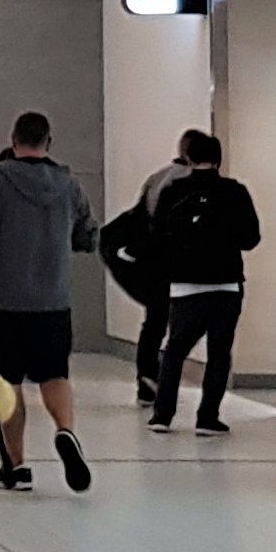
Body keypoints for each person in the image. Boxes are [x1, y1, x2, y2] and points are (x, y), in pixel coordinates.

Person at [0, 111, 98, 493]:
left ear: (14, 138)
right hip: (54, 302)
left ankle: (15, 467)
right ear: (47, 141)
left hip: (4, 305)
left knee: (7, 384)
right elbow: (88, 235)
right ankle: (66, 431)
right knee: (55, 375)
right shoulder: (69, 183)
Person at [143, 131, 261, 435]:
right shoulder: (235, 192)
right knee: (219, 353)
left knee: (175, 351)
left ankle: (162, 415)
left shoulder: (174, 191)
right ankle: (207, 417)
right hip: (226, 285)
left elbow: (156, 237)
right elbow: (251, 239)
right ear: (219, 160)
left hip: (184, 285)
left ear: (188, 159)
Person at [113, 130, 204, 403]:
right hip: (178, 264)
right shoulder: (187, 182)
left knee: (154, 323)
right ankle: (163, 385)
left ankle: (146, 379)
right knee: (180, 327)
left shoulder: (157, 178)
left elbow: (142, 217)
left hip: (153, 263)